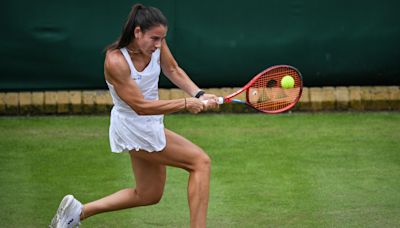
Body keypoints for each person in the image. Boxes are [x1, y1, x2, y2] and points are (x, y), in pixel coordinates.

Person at [49, 3, 218, 228]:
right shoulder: (115, 61)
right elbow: (140, 106)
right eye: (154, 39)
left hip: (149, 124)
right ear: (137, 32)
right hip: (134, 126)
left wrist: (199, 93)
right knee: (200, 162)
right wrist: (186, 103)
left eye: (162, 39)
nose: (158, 45)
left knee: (149, 194)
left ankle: (77, 213)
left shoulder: (156, 45)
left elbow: (173, 69)